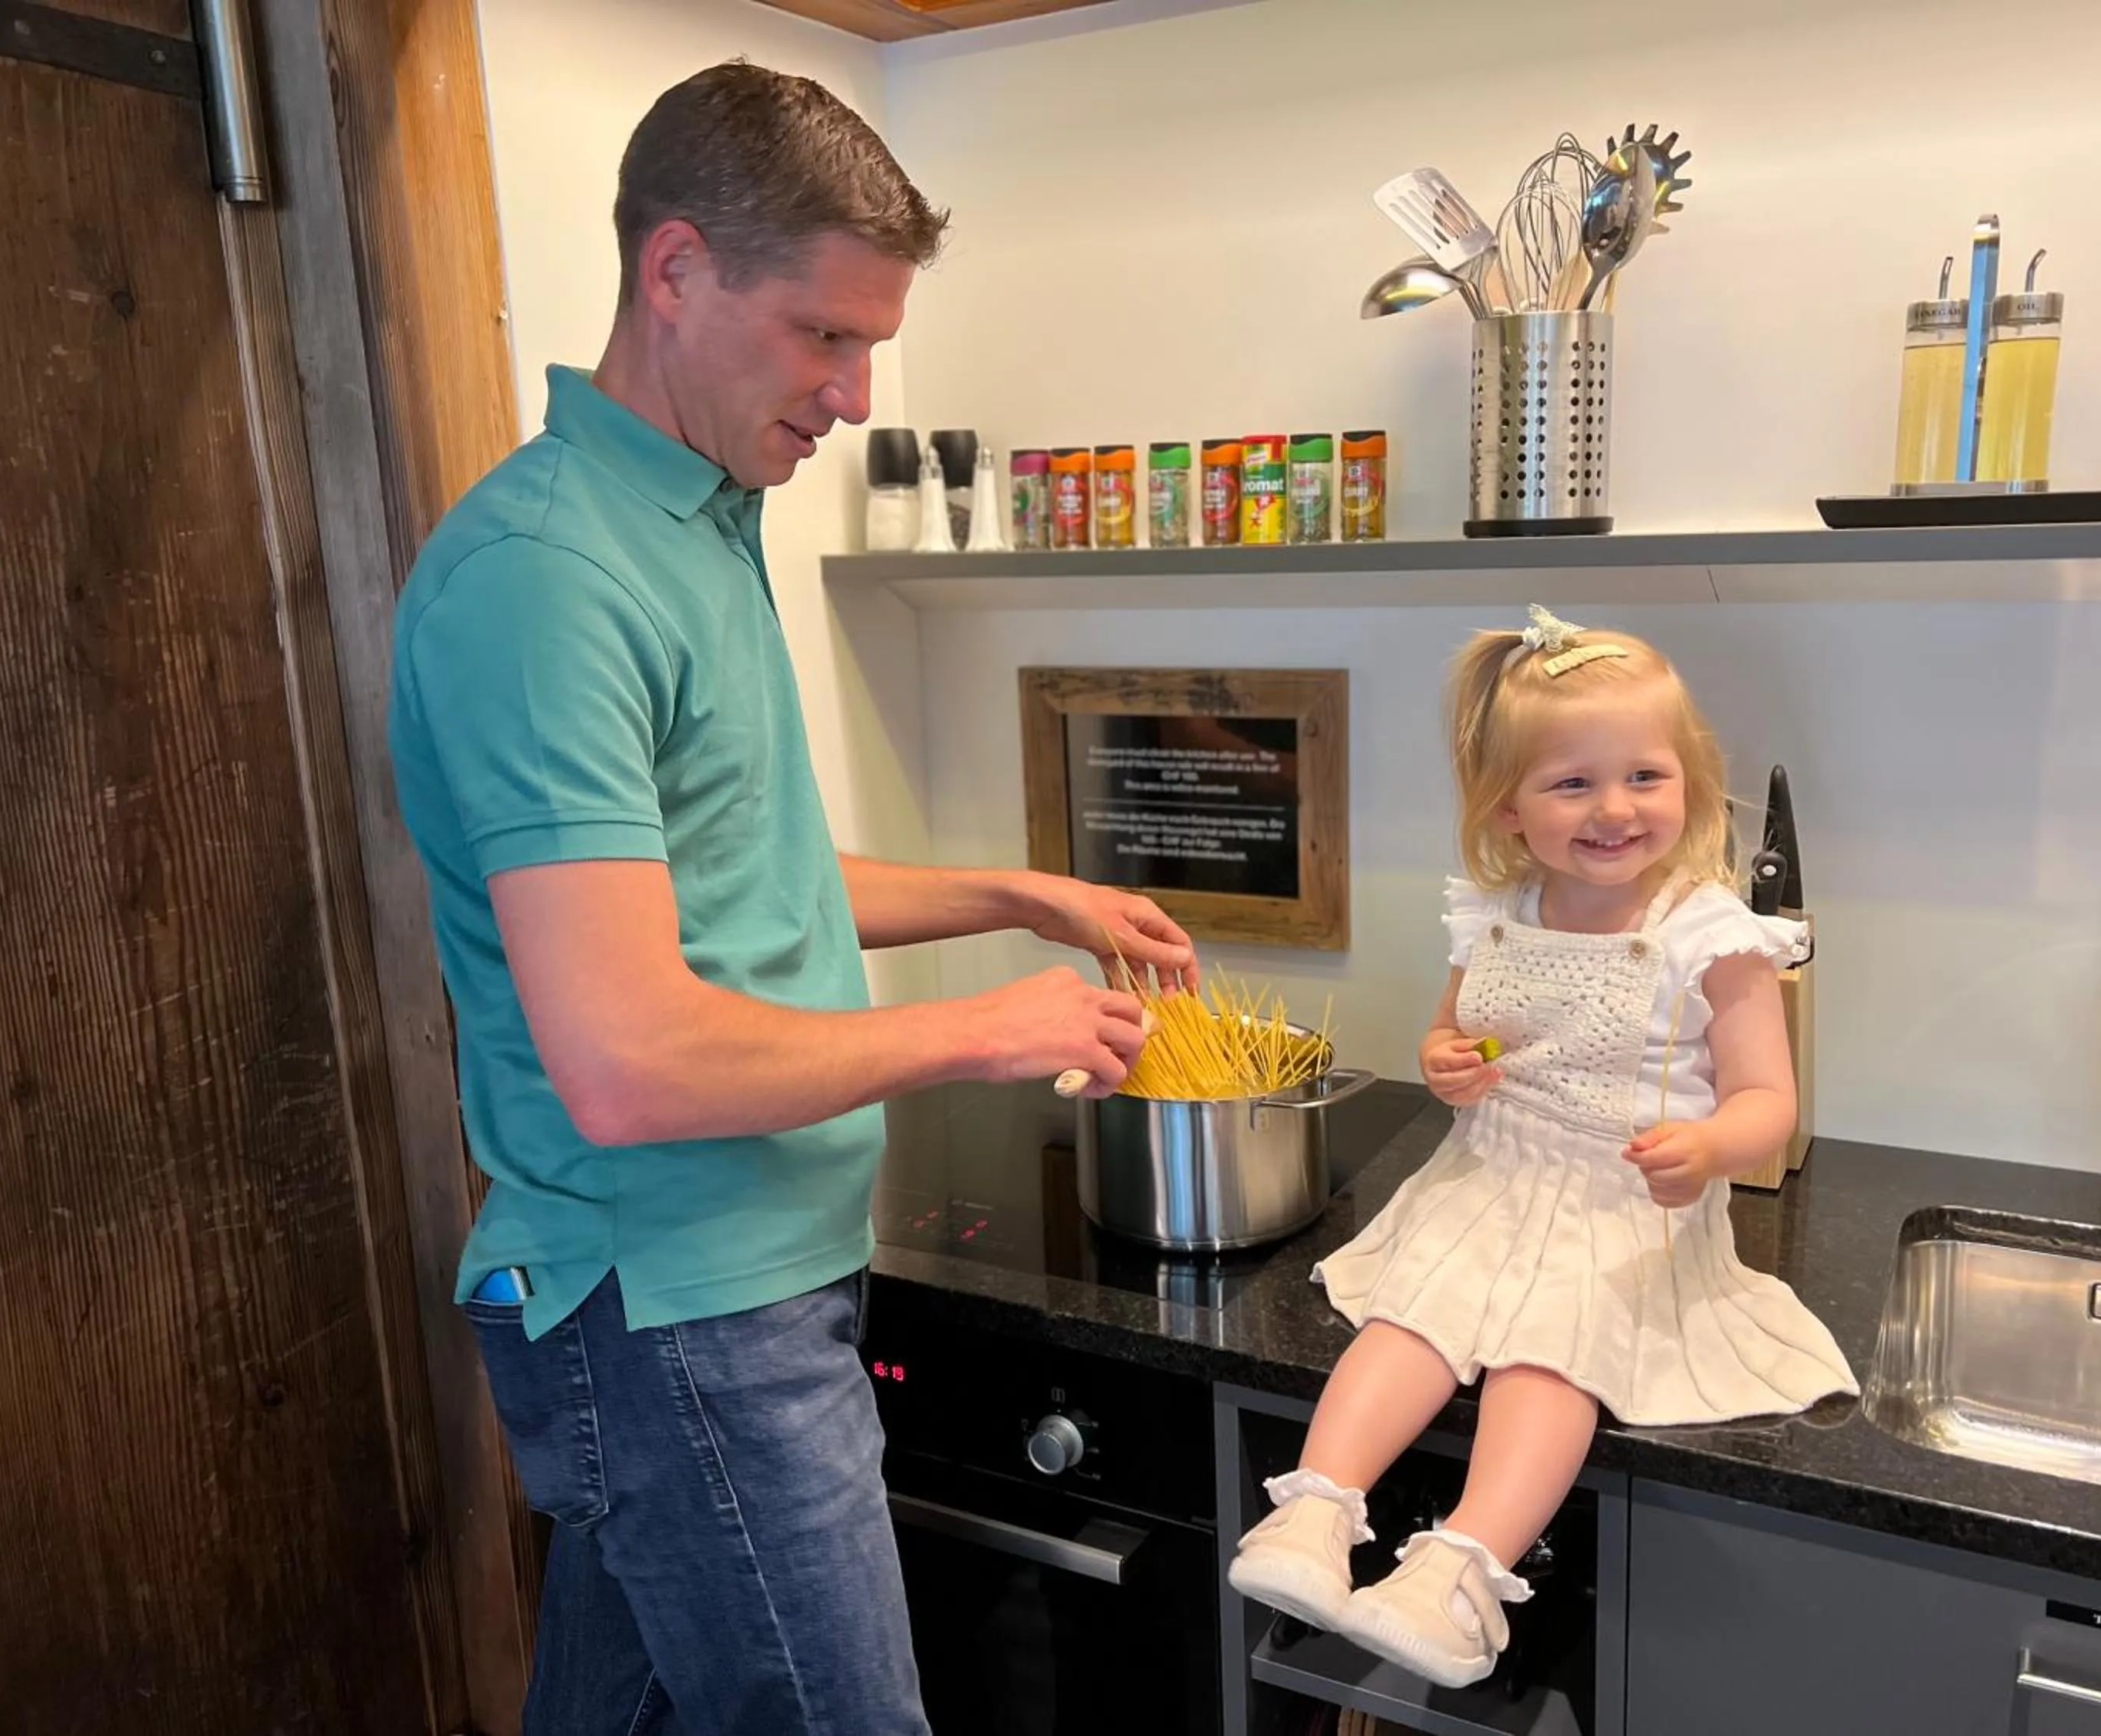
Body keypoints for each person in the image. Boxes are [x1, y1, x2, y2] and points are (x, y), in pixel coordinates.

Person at [386, 60, 1196, 1736]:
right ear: (677, 270)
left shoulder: (697, 517)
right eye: (824, 334)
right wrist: (984, 1032)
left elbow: (733, 882)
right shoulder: (548, 580)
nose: (854, 391)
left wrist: (1016, 893)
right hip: (681, 1309)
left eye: (871, 342)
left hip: (733, 1289)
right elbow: (628, 1059)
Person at [1226, 605, 1855, 1689]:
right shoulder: (1499, 909)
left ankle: (1457, 1571)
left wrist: (1710, 1145)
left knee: (1554, 1348)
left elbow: (1768, 1100)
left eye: (1644, 776)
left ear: (1691, 782)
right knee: (1415, 1311)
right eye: (1573, 783)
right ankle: (1315, 1514)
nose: (1613, 808)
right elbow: (1455, 1033)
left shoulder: (1710, 932)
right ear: (1509, 808)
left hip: (1628, 1205)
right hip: (1491, 1175)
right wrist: (1447, 1063)